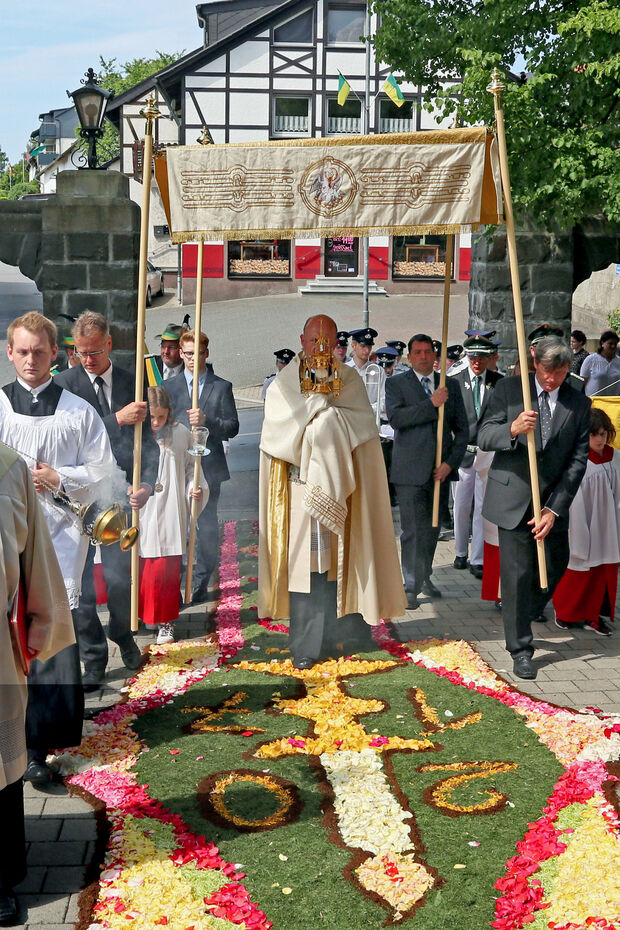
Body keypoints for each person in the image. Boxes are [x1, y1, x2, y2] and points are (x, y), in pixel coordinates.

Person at [0, 312, 120, 779]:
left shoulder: (77, 411)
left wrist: (58, 477)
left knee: (48, 639)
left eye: (40, 351)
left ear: (56, 354)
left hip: (60, 543)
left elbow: (104, 472)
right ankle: (15, 740)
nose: (31, 360)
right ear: (10, 353)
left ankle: (41, 746)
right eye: (22, 351)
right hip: (9, 544)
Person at [258, 314, 406, 669]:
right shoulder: (283, 383)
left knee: (343, 565)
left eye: (327, 342)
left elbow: (362, 425)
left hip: (345, 491)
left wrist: (326, 421)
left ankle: (346, 636)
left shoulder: (349, 378)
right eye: (314, 342)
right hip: (298, 491)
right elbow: (278, 435)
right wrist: (319, 415)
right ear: (302, 340)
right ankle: (306, 646)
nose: (321, 349)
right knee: (306, 571)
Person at [55, 311, 159, 689]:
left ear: (109, 344)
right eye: (81, 353)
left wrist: (146, 483)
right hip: (77, 500)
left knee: (120, 578)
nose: (88, 360)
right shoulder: (63, 386)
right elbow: (72, 438)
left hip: (119, 498)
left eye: (95, 351)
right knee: (79, 585)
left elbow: (149, 445)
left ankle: (122, 632)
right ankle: (94, 657)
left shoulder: (133, 383)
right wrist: (116, 418)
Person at [478, 336, 591, 680]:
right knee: (516, 576)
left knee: (554, 565)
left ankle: (521, 612)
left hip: (551, 504)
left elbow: (577, 460)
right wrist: (512, 429)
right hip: (512, 499)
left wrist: (554, 509)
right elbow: (483, 434)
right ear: (535, 363)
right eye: (545, 370)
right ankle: (521, 648)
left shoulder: (579, 403)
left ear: (567, 368)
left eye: (558, 372)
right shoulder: (511, 390)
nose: (550, 379)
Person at [0, 443, 75, 926]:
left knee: (0, 769)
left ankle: (1, 880)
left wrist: (42, 624)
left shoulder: (7, 466)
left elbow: (35, 554)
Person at [386, 333, 468, 609]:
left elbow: (463, 430)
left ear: (435, 356)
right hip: (409, 472)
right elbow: (397, 419)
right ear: (409, 357)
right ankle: (410, 585)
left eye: (427, 352)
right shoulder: (396, 383)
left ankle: (424, 574)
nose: (423, 356)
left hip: (439, 472)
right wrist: (430, 404)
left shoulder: (450, 386)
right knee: (412, 530)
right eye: (417, 352)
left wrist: (450, 463)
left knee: (433, 528)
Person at [165, 329, 239, 604]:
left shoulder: (221, 386)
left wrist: (208, 420)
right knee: (179, 521)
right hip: (178, 465)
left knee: (205, 524)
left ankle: (201, 580)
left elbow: (232, 426)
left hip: (209, 466)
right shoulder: (168, 387)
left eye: (197, 353)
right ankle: (180, 576)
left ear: (206, 353)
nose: (192, 359)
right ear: (180, 354)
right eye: (187, 353)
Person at [139, 386, 209, 644]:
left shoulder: (181, 434)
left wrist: (195, 489)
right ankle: (144, 618)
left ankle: (166, 623)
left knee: (166, 573)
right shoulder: (137, 432)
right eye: (152, 417)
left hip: (170, 510)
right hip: (143, 511)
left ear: (169, 414)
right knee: (144, 571)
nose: (156, 423)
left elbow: (193, 469)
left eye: (161, 417)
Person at [552, 407, 620, 636]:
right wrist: (579, 531)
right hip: (583, 526)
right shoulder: (578, 462)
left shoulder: (615, 458)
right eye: (595, 434)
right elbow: (574, 502)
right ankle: (567, 613)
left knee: (602, 573)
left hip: (610, 528)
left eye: (604, 433)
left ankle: (594, 616)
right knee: (577, 571)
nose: (600, 439)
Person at [449, 335, 504, 578]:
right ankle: (460, 551)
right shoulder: (455, 381)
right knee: (461, 505)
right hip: (462, 452)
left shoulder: (499, 382)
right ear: (466, 356)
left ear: (490, 358)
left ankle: (477, 557)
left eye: (481, 357)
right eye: (472, 356)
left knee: (483, 507)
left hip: (488, 453)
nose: (477, 362)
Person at [580, 330, 620, 396]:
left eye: (615, 344)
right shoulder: (590, 359)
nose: (613, 346)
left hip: (613, 403)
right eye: (610, 344)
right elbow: (582, 382)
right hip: (594, 402)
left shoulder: (618, 361)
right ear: (602, 343)